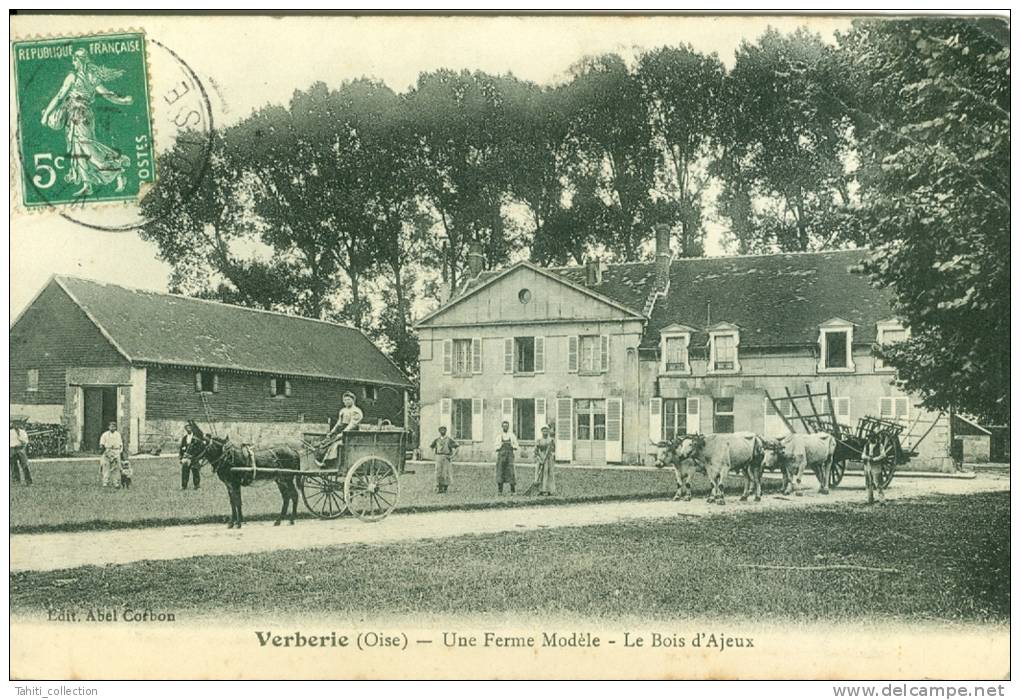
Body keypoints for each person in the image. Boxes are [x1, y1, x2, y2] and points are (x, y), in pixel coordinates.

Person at [40, 48, 133, 197]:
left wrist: (46, 115)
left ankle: (117, 170)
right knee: (77, 150)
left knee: (89, 148)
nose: (73, 62)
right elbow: (61, 96)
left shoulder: (83, 77)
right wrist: (122, 100)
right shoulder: (83, 77)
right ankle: (87, 184)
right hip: (73, 117)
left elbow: (60, 96)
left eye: (75, 59)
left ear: (80, 60)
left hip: (83, 117)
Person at [322, 391, 364, 465]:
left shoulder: (356, 411)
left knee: (335, 444)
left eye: (348, 400)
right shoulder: (343, 411)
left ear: (353, 400)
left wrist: (342, 434)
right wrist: (332, 432)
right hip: (342, 431)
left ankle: (328, 461)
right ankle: (322, 459)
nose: (346, 402)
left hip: (351, 434)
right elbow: (339, 423)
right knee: (326, 442)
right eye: (345, 400)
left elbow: (352, 425)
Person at [429, 426, 458, 494]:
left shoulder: (449, 440)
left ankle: (445, 488)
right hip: (439, 457)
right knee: (438, 473)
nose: (442, 431)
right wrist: (435, 455)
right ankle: (439, 488)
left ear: (446, 431)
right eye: (441, 430)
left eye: (444, 430)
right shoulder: (437, 440)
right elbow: (431, 447)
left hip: (446, 457)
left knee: (446, 473)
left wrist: (452, 456)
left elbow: (457, 447)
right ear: (439, 431)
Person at [494, 420, 519, 495]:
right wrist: (500, 446)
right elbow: (496, 447)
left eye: (507, 426)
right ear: (502, 427)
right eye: (504, 426)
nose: (505, 427)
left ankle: (513, 491)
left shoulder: (512, 436)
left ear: (508, 427)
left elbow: (516, 445)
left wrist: (512, 446)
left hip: (510, 457)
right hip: (501, 456)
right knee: (500, 472)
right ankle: (500, 491)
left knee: (511, 472)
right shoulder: (499, 436)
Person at [533, 425, 556, 496]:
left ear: (548, 432)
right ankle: (539, 490)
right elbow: (536, 450)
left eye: (546, 431)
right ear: (541, 431)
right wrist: (539, 458)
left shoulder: (551, 440)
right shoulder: (539, 440)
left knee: (547, 473)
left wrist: (548, 455)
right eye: (543, 431)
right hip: (540, 458)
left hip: (548, 459)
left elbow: (553, 449)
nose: (545, 432)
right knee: (539, 473)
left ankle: (547, 490)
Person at [99, 421, 124, 488]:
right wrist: (102, 449)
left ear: (116, 427)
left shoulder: (118, 434)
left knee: (116, 468)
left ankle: (116, 482)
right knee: (106, 467)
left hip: (116, 451)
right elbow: (102, 443)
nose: (112, 428)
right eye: (111, 426)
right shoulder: (105, 434)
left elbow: (120, 444)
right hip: (108, 451)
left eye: (114, 426)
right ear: (108, 427)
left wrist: (120, 452)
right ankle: (105, 482)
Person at [9, 418, 32, 485]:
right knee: (13, 466)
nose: (16, 425)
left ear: (19, 424)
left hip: (21, 448)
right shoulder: (10, 432)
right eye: (14, 424)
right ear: (12, 424)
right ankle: (16, 481)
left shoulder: (23, 432)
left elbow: (26, 441)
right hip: (12, 449)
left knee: (25, 465)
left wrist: (20, 438)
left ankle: (28, 481)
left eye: (17, 424)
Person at [179, 422, 201, 490]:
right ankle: (184, 486)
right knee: (185, 471)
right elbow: (181, 448)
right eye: (187, 428)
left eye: (190, 427)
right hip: (186, 457)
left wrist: (196, 456)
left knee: (195, 471)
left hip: (194, 457)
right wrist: (181, 456)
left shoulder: (196, 438)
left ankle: (197, 485)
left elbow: (199, 447)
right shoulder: (184, 438)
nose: (188, 429)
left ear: (192, 428)